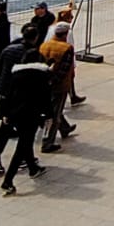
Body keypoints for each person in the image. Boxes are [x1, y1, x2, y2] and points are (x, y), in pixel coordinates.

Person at [0, 46, 51, 196]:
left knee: (25, 142)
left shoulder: (16, 74)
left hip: (14, 115)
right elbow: (46, 97)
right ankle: (8, 181)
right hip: (31, 116)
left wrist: (4, 113)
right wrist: (49, 115)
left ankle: (33, 168)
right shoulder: (42, 75)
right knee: (22, 147)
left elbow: (7, 95)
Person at [0, 24, 42, 175]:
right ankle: (26, 161)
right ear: (36, 38)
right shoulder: (31, 54)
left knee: (6, 127)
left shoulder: (8, 49)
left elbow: (0, 71)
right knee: (26, 131)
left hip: (5, 94)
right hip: (20, 98)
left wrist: (0, 88)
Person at [39, 22, 78, 152]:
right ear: (65, 34)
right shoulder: (66, 48)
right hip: (59, 86)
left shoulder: (44, 45)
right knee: (54, 114)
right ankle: (47, 142)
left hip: (44, 83)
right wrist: (54, 81)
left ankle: (65, 128)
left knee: (55, 109)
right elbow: (64, 70)